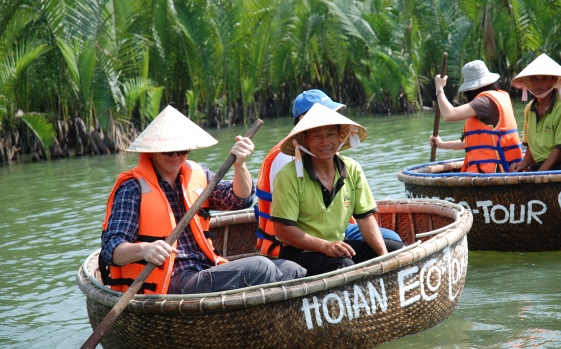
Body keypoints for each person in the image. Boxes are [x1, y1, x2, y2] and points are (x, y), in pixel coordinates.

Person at [100, 106, 305, 295]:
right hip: (171, 280)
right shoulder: (133, 189)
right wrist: (145, 249)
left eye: (183, 151)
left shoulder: (197, 174)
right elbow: (112, 249)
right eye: (168, 151)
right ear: (151, 151)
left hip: (206, 267)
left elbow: (238, 199)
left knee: (293, 268)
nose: (176, 157)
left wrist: (240, 165)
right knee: (261, 267)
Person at [255, 90, 401, 257]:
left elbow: (364, 218)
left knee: (393, 245)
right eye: (317, 135)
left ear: (339, 135)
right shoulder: (288, 166)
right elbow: (284, 228)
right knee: (344, 262)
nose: (325, 141)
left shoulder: (349, 166)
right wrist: (326, 246)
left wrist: (385, 258)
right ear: (305, 135)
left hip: (333, 232)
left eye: (331, 133)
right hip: (301, 245)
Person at [430, 60, 523, 173]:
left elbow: (449, 114)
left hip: (496, 172)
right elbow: (471, 142)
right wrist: (442, 144)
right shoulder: (497, 96)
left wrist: (439, 89)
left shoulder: (485, 102)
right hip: (505, 168)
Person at [508, 53, 561, 172]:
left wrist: (540, 174)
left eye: (544, 79)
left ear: (554, 80)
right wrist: (523, 164)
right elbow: (532, 146)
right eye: (535, 79)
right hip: (540, 167)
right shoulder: (529, 108)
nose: (539, 84)